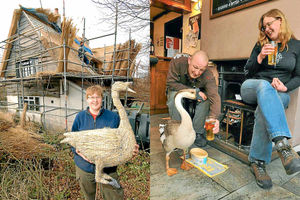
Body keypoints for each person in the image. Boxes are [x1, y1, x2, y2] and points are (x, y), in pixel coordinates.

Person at [242, 9, 300, 189]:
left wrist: (285, 87)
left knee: (264, 110)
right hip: (253, 87)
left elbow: (299, 76)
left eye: (269, 24)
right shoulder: (261, 44)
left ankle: (257, 162)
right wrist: (259, 57)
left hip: (279, 93)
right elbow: (247, 71)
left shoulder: (297, 46)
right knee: (263, 86)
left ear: (280, 20)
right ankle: (283, 146)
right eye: (264, 26)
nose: (266, 29)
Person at [71, 85, 139, 200]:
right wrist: (77, 151)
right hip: (85, 168)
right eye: (91, 97)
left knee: (114, 197)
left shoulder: (113, 117)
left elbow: (123, 139)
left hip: (109, 168)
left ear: (102, 98)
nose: (94, 100)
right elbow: (73, 140)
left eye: (97, 97)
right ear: (87, 99)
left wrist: (131, 148)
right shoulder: (80, 117)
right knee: (88, 197)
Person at [166, 50, 221, 147]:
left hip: (197, 95)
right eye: (195, 67)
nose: (197, 72)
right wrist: (193, 91)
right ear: (189, 60)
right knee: (174, 97)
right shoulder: (177, 62)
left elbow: (215, 97)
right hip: (178, 91)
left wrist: (215, 118)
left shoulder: (208, 74)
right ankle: (178, 132)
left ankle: (197, 133)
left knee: (206, 99)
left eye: (201, 70)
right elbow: (171, 83)